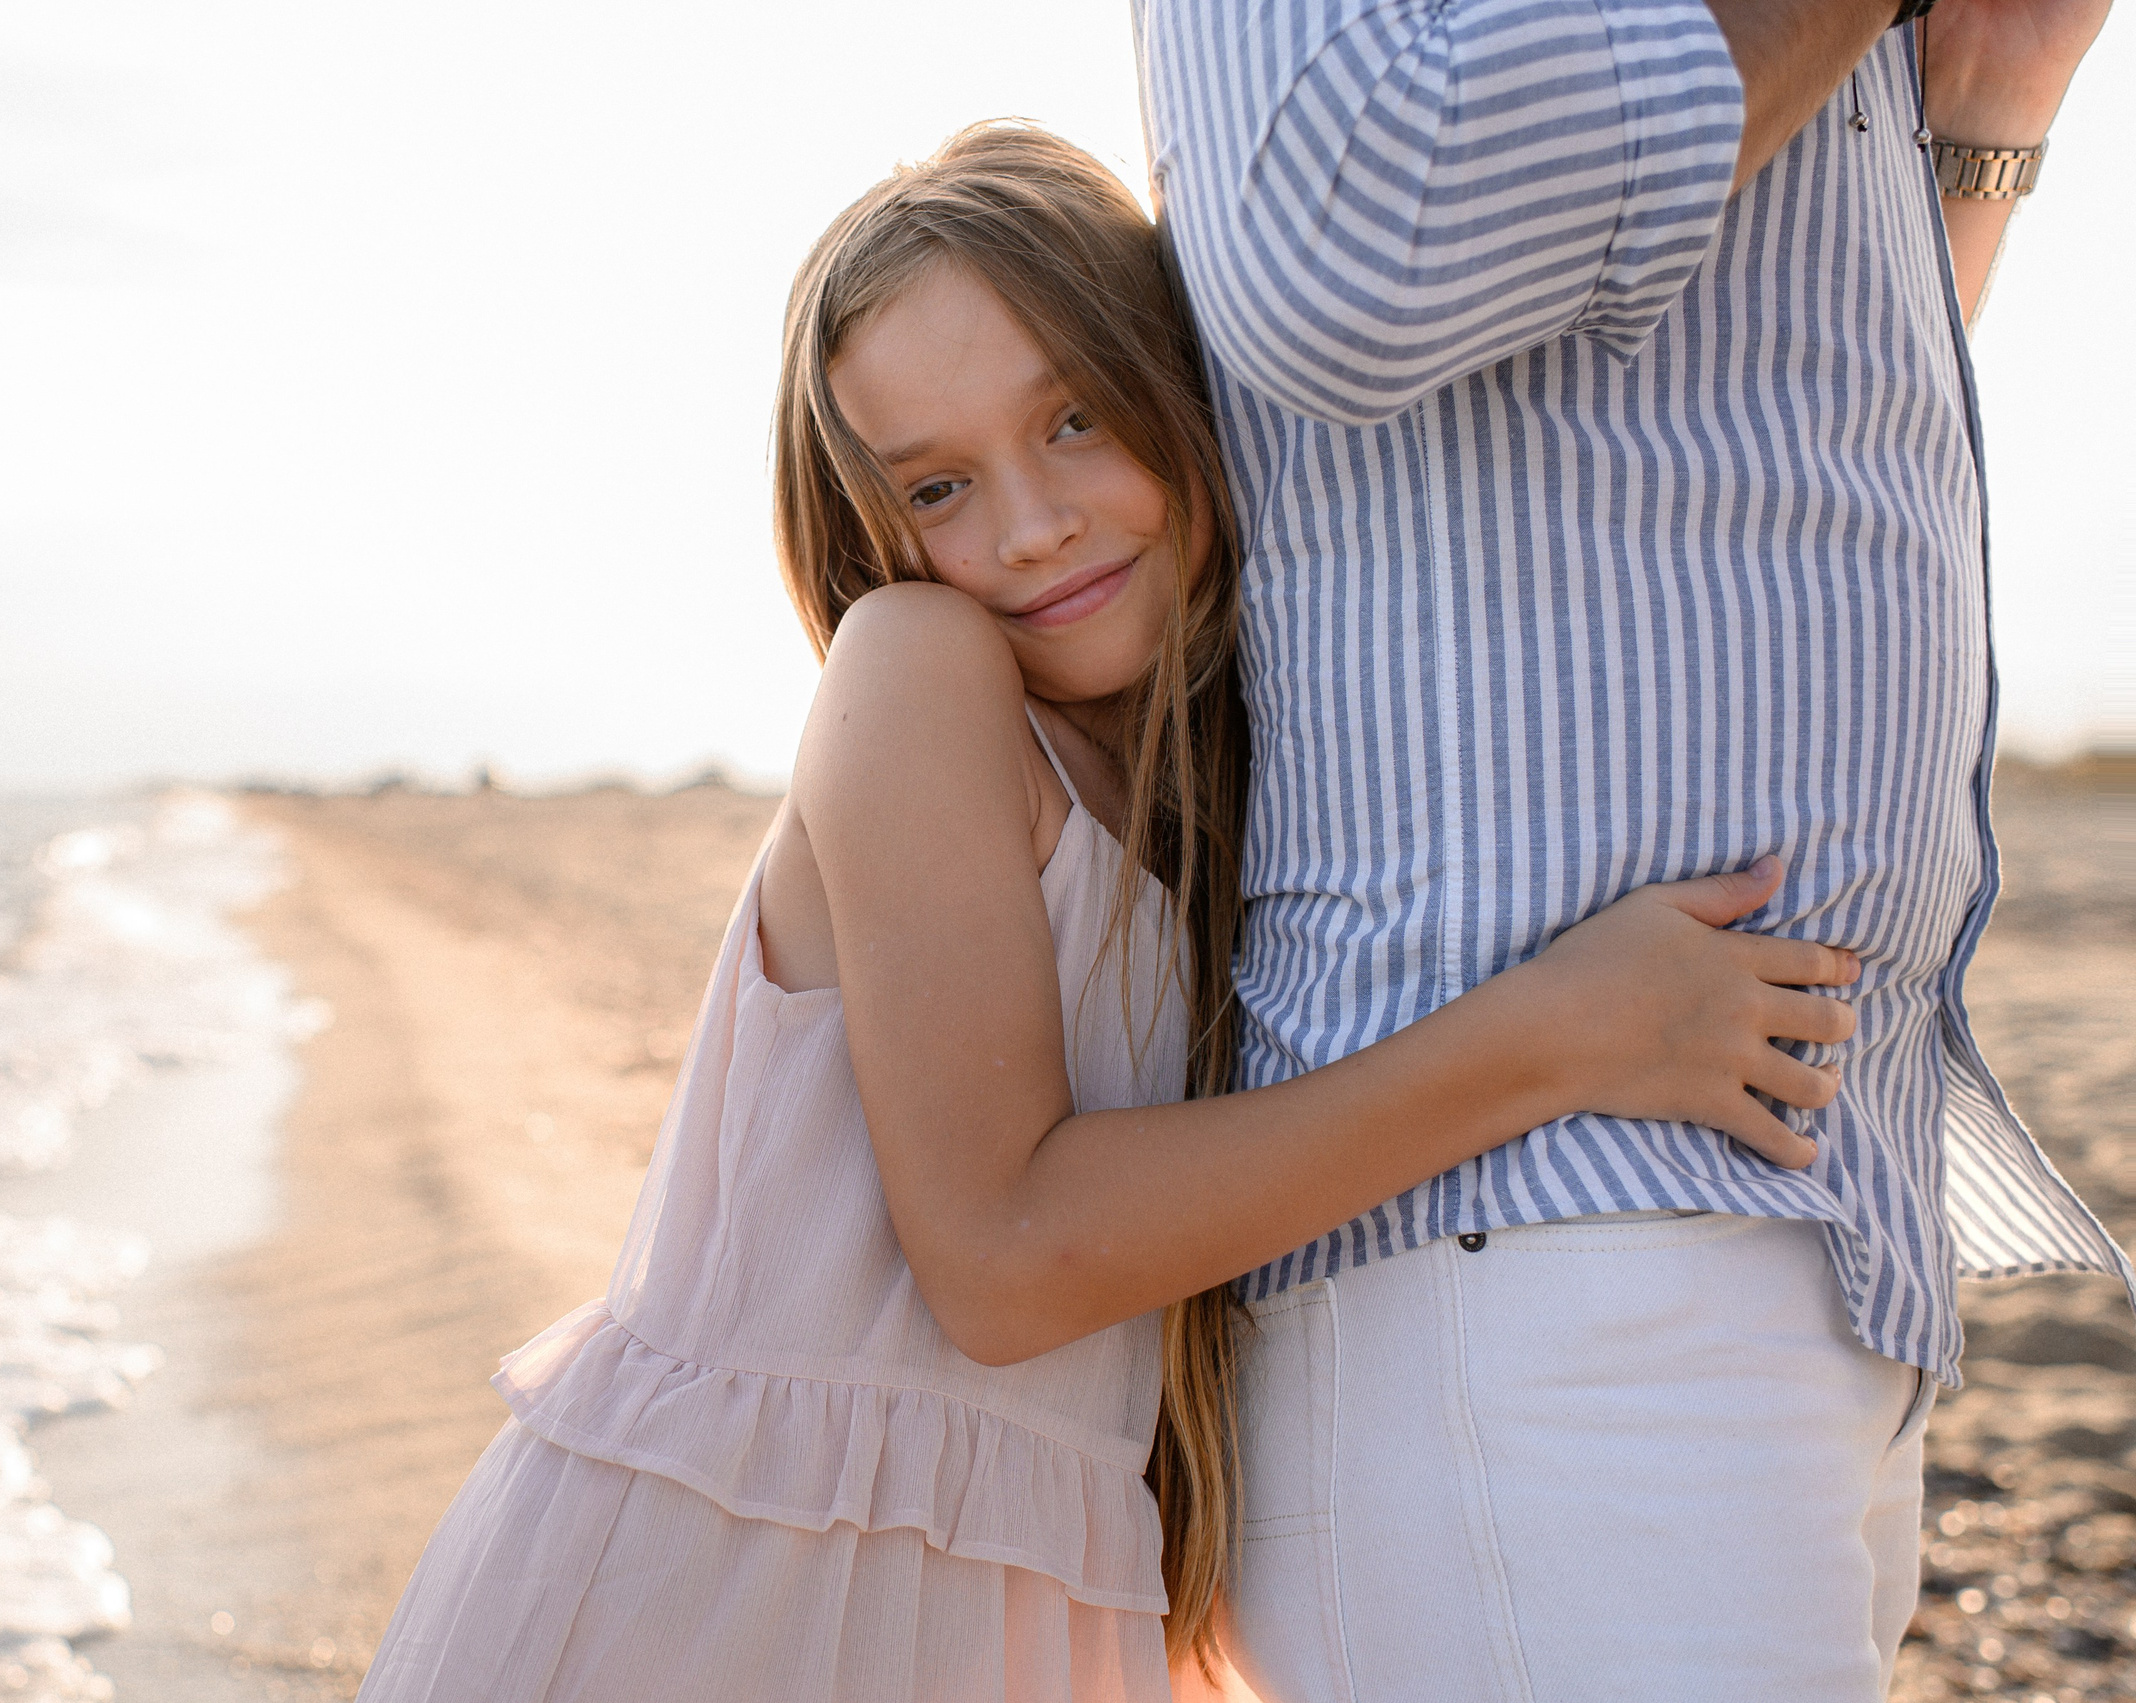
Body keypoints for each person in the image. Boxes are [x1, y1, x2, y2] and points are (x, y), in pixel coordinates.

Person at [350, 123, 1864, 1703]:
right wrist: (1560, 1037)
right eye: (940, 483)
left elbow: (1722, 450)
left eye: (1075, 419)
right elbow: (1003, 1259)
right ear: (876, 530)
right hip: (731, 1595)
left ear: (1178, 386)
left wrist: (1980, 136)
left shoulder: (1237, 790)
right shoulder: (923, 670)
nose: (1028, 526)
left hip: (1004, 1599)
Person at [1133, 0, 2131, 1694]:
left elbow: (1756, 415)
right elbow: (1350, 227)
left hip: (1791, 1222)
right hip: (1548, 1249)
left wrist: (1981, 107)